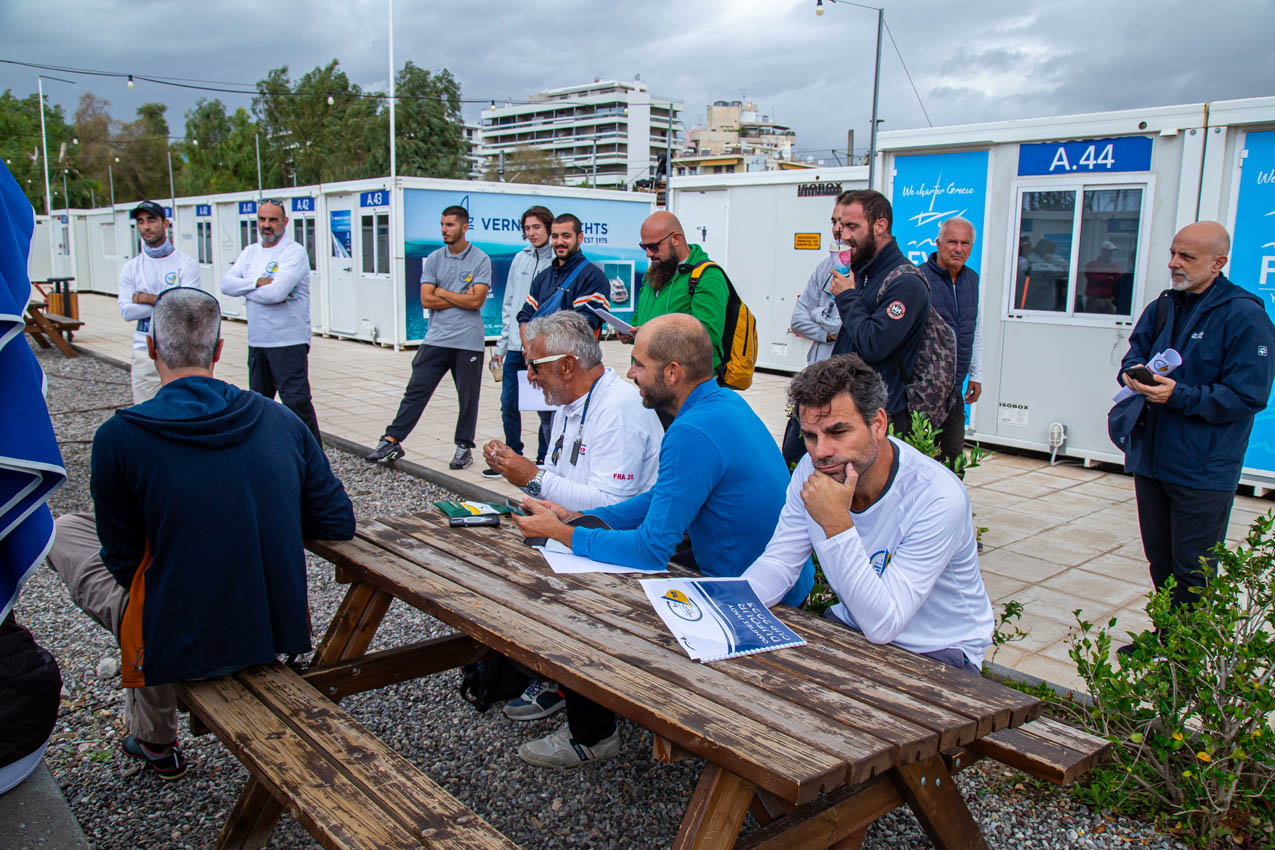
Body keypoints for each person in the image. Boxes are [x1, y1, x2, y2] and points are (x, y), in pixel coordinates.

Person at [47, 287, 356, 780]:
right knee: (156, 553)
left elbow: (123, 560)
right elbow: (337, 521)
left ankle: (155, 738)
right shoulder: (279, 419)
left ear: (152, 347)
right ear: (219, 349)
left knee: (72, 536)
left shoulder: (119, 437)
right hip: (270, 623)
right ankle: (153, 731)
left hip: (179, 626)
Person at [510, 313, 814, 767]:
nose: (630, 373)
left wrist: (565, 534)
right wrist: (582, 517)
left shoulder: (691, 431)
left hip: (758, 598)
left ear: (672, 372)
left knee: (589, 598)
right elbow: (664, 495)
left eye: (638, 364)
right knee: (602, 563)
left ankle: (592, 734)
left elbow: (651, 551)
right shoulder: (723, 404)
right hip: (771, 579)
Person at [482, 310, 662, 721]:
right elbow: (558, 479)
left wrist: (532, 478)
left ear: (567, 366)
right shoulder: (569, 401)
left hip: (622, 546)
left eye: (535, 366)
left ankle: (583, 711)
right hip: (582, 536)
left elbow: (609, 507)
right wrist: (532, 488)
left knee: (527, 586)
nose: (529, 376)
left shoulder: (618, 408)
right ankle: (543, 671)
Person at [1112, 221, 1275, 635]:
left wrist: (1179, 395)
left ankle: (1188, 656)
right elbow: (1135, 352)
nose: (1174, 263)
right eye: (1173, 253)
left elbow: (1248, 395)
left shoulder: (1245, 316)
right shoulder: (1164, 305)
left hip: (1203, 469)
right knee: (1161, 561)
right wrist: (1131, 373)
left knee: (1194, 570)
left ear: (1218, 263)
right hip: (1153, 459)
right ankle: (1166, 639)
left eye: (1187, 256)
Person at [365, 205, 492, 469]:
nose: (444, 230)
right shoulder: (434, 258)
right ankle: (391, 440)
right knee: (416, 391)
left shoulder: (481, 259)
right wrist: (459, 296)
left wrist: (442, 292)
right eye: (442, 224)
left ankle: (463, 448)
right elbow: (426, 299)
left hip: (468, 341)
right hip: (436, 338)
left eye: (450, 225)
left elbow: (476, 301)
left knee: (468, 399)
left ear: (464, 227)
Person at [829, 190, 931, 435]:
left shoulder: (905, 282)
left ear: (880, 226)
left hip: (879, 417)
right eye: (841, 225)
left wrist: (847, 296)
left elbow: (873, 344)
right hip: (852, 406)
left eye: (852, 226)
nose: (844, 234)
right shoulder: (866, 272)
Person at [219, 198, 320, 441]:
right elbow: (225, 284)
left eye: (273, 220)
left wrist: (244, 289)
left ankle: (313, 455)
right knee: (259, 404)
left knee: (297, 404)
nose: (266, 225)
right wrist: (256, 282)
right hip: (258, 341)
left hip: (288, 342)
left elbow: (275, 293)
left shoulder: (294, 252)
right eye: (262, 219)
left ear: (285, 221)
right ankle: (266, 452)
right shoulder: (250, 252)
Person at [485, 205, 555, 476]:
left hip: (543, 348)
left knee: (545, 407)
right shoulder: (520, 258)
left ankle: (543, 459)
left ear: (548, 227)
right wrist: (501, 347)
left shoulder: (557, 260)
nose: (531, 233)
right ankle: (511, 455)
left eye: (536, 227)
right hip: (516, 346)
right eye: (527, 228)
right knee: (508, 404)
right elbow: (510, 304)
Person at [784, 193, 848, 462]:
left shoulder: (868, 274)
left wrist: (819, 315)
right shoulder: (825, 267)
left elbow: (849, 325)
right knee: (792, 456)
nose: (837, 229)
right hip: (813, 381)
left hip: (844, 391)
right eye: (834, 221)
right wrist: (829, 333)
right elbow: (798, 319)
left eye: (845, 223)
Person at [117, 201, 200, 403]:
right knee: (146, 411)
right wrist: (169, 300)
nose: (146, 227)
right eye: (141, 221)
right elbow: (127, 311)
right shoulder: (131, 268)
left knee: (182, 410)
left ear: (165, 223)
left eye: (152, 220)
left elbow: (187, 308)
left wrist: (145, 298)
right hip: (144, 350)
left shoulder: (186, 263)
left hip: (180, 351)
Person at [630, 211, 730, 376]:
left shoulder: (708, 277)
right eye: (644, 247)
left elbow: (707, 337)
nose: (648, 253)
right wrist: (630, 333)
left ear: (676, 239)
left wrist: (653, 336)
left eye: (653, 246)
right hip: (651, 378)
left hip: (685, 382)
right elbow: (639, 318)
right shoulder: (656, 271)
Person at [919, 217, 984, 470]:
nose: (959, 249)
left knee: (953, 460)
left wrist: (975, 374)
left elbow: (975, 328)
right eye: (952, 242)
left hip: (955, 389)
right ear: (938, 243)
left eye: (965, 243)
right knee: (919, 455)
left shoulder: (972, 280)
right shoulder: (919, 278)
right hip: (922, 390)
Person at [1082, 241, 1123, 314]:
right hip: (1093, 300)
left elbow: (1117, 282)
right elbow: (1092, 279)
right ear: (1102, 251)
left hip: (1108, 301)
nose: (1111, 254)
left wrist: (1101, 278)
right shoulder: (1091, 265)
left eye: (1111, 251)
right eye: (1108, 251)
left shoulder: (1116, 267)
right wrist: (1108, 278)